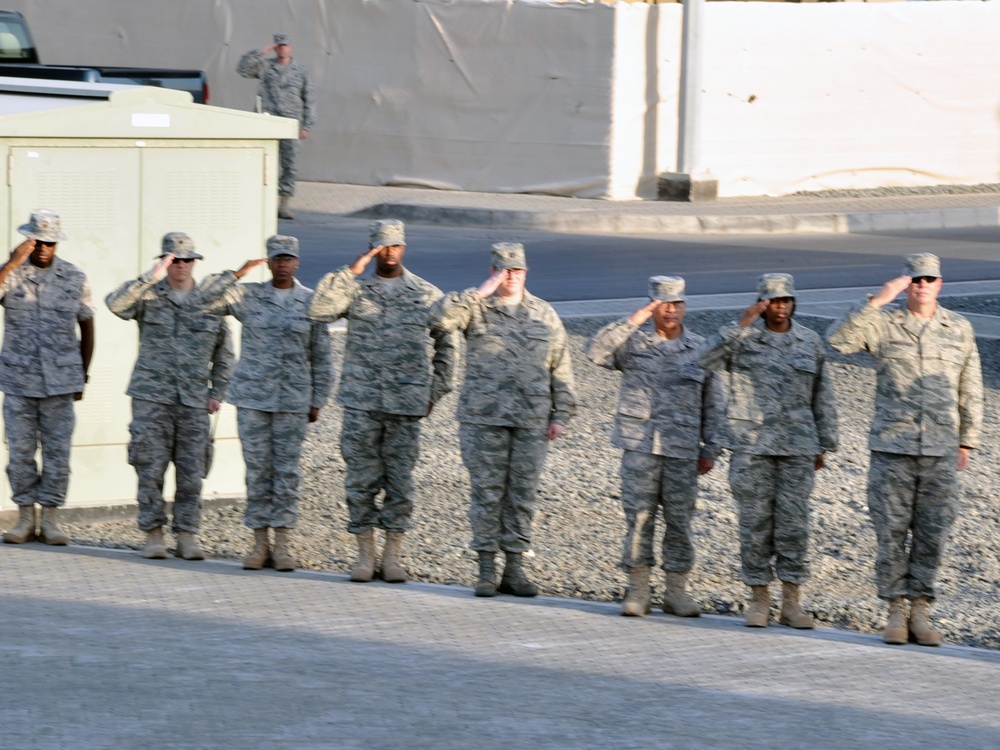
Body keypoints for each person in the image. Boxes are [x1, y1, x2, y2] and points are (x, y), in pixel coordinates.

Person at [827, 253, 982, 646]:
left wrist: (967, 440)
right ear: (907, 283)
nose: (922, 285)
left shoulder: (958, 328)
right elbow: (838, 341)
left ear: (940, 284)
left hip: (942, 449)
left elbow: (970, 386)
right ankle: (895, 609)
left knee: (933, 532)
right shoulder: (883, 324)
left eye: (929, 279)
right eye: (915, 279)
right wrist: (877, 301)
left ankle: (921, 610)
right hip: (892, 448)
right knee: (891, 532)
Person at [430, 243, 576, 598]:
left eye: (518, 271)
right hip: (484, 417)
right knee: (487, 493)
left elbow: (561, 365)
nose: (512, 276)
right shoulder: (475, 308)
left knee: (522, 494)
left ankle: (514, 568)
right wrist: (480, 292)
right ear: (494, 270)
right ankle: (485, 569)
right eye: (505, 270)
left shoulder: (544, 313)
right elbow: (438, 319)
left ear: (527, 273)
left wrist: (562, 413)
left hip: (531, 419)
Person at [697, 273, 837, 629]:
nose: (780, 307)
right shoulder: (742, 339)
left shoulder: (809, 341)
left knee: (794, 525)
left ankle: (792, 602)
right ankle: (758, 599)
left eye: (786, 300)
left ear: (793, 303)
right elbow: (703, 359)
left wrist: (825, 442)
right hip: (751, 445)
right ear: (762, 303)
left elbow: (823, 395)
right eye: (773, 301)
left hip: (798, 446)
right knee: (754, 524)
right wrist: (740, 323)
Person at [191, 235, 332, 572]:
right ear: (268, 262)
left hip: (293, 401)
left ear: (297, 262)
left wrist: (318, 399)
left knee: (285, 473)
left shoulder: (311, 302)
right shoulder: (248, 296)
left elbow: (322, 357)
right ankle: (258, 544)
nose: (282, 264)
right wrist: (237, 273)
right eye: (276, 259)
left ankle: (282, 545)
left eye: (288, 259)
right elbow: (201, 298)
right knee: (257, 471)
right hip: (253, 399)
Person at [586, 276, 724, 617]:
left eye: (677, 304)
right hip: (640, 447)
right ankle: (638, 590)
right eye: (664, 305)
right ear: (652, 307)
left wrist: (711, 449)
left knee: (680, 521)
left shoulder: (701, 348)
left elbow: (715, 403)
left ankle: (677, 591)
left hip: (683, 449)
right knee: (639, 520)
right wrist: (634, 319)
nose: (671, 311)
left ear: (685, 307)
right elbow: (595, 351)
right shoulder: (632, 344)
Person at [105, 232, 234, 561]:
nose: (181, 266)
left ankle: (187, 535)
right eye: (174, 260)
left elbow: (225, 355)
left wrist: (216, 393)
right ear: (165, 262)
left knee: (192, 472)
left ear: (195, 262)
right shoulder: (148, 296)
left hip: (193, 400)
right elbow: (115, 304)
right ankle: (154, 534)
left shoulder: (211, 300)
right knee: (150, 469)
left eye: (187, 260)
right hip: (152, 398)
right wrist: (152, 276)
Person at [0, 210, 94, 545]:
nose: (43, 248)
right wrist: (11, 264)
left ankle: (51, 520)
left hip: (61, 382)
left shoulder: (73, 277)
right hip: (18, 382)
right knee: (21, 454)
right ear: (28, 240)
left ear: (56, 243)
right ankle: (25, 519)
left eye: (50, 242)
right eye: (38, 241)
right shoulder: (10, 274)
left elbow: (86, 325)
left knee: (58, 453)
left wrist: (82, 375)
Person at [237, 33, 316, 220]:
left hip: (291, 124)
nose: (282, 49)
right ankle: (265, 202)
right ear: (275, 47)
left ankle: (284, 204)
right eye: (278, 46)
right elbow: (242, 69)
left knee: (290, 165)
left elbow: (309, 99)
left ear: (291, 47)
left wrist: (307, 125)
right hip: (268, 123)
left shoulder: (300, 71)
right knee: (266, 165)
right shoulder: (265, 67)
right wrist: (261, 52)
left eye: (285, 46)